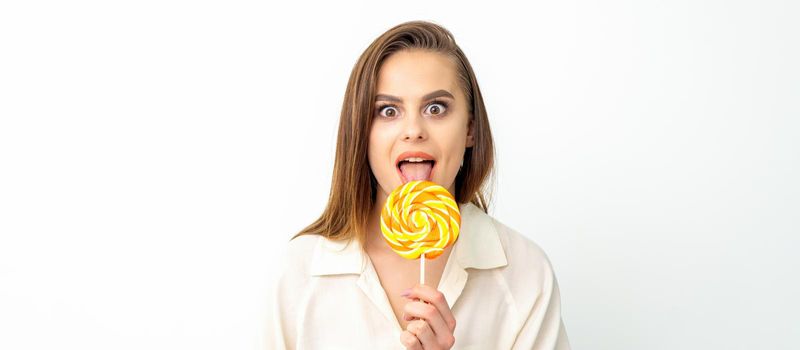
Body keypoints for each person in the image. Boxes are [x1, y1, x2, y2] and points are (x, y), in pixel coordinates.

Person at [266, 20, 570, 350]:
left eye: (435, 108)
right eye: (387, 110)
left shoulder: (524, 272)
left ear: (470, 128)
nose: (413, 130)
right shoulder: (301, 270)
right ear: (362, 133)